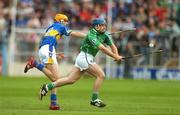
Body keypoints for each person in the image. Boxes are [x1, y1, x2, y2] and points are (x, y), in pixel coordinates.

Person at [39, 18, 123, 108]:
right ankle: (94, 99)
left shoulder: (105, 35)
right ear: (96, 26)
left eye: (104, 25)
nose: (104, 27)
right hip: (85, 57)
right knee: (101, 75)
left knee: (70, 80)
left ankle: (47, 87)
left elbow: (113, 46)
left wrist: (116, 55)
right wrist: (114, 56)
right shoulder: (91, 34)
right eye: (102, 25)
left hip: (84, 58)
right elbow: (102, 48)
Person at [24, 13, 86, 110]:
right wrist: (87, 36)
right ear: (61, 20)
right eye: (65, 21)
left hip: (45, 50)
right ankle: (35, 64)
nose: (66, 23)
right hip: (48, 49)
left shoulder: (51, 27)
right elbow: (74, 33)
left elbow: (46, 42)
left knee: (55, 80)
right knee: (56, 79)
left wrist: (54, 54)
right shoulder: (60, 26)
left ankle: (53, 103)